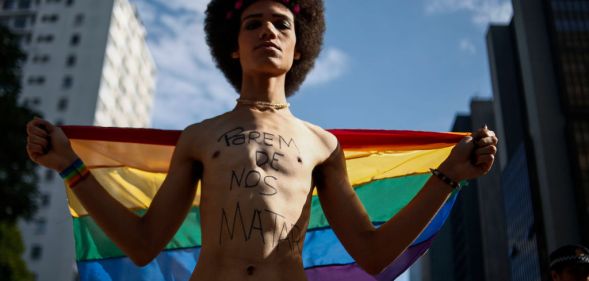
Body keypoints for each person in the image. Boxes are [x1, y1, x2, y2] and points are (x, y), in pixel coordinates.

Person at [25, 0, 498, 280]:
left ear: (299, 45)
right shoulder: (199, 137)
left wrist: (448, 177)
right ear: (234, 45)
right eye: (253, 23)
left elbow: (372, 253)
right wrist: (71, 167)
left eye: (281, 23)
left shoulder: (322, 145)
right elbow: (144, 243)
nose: (268, 30)